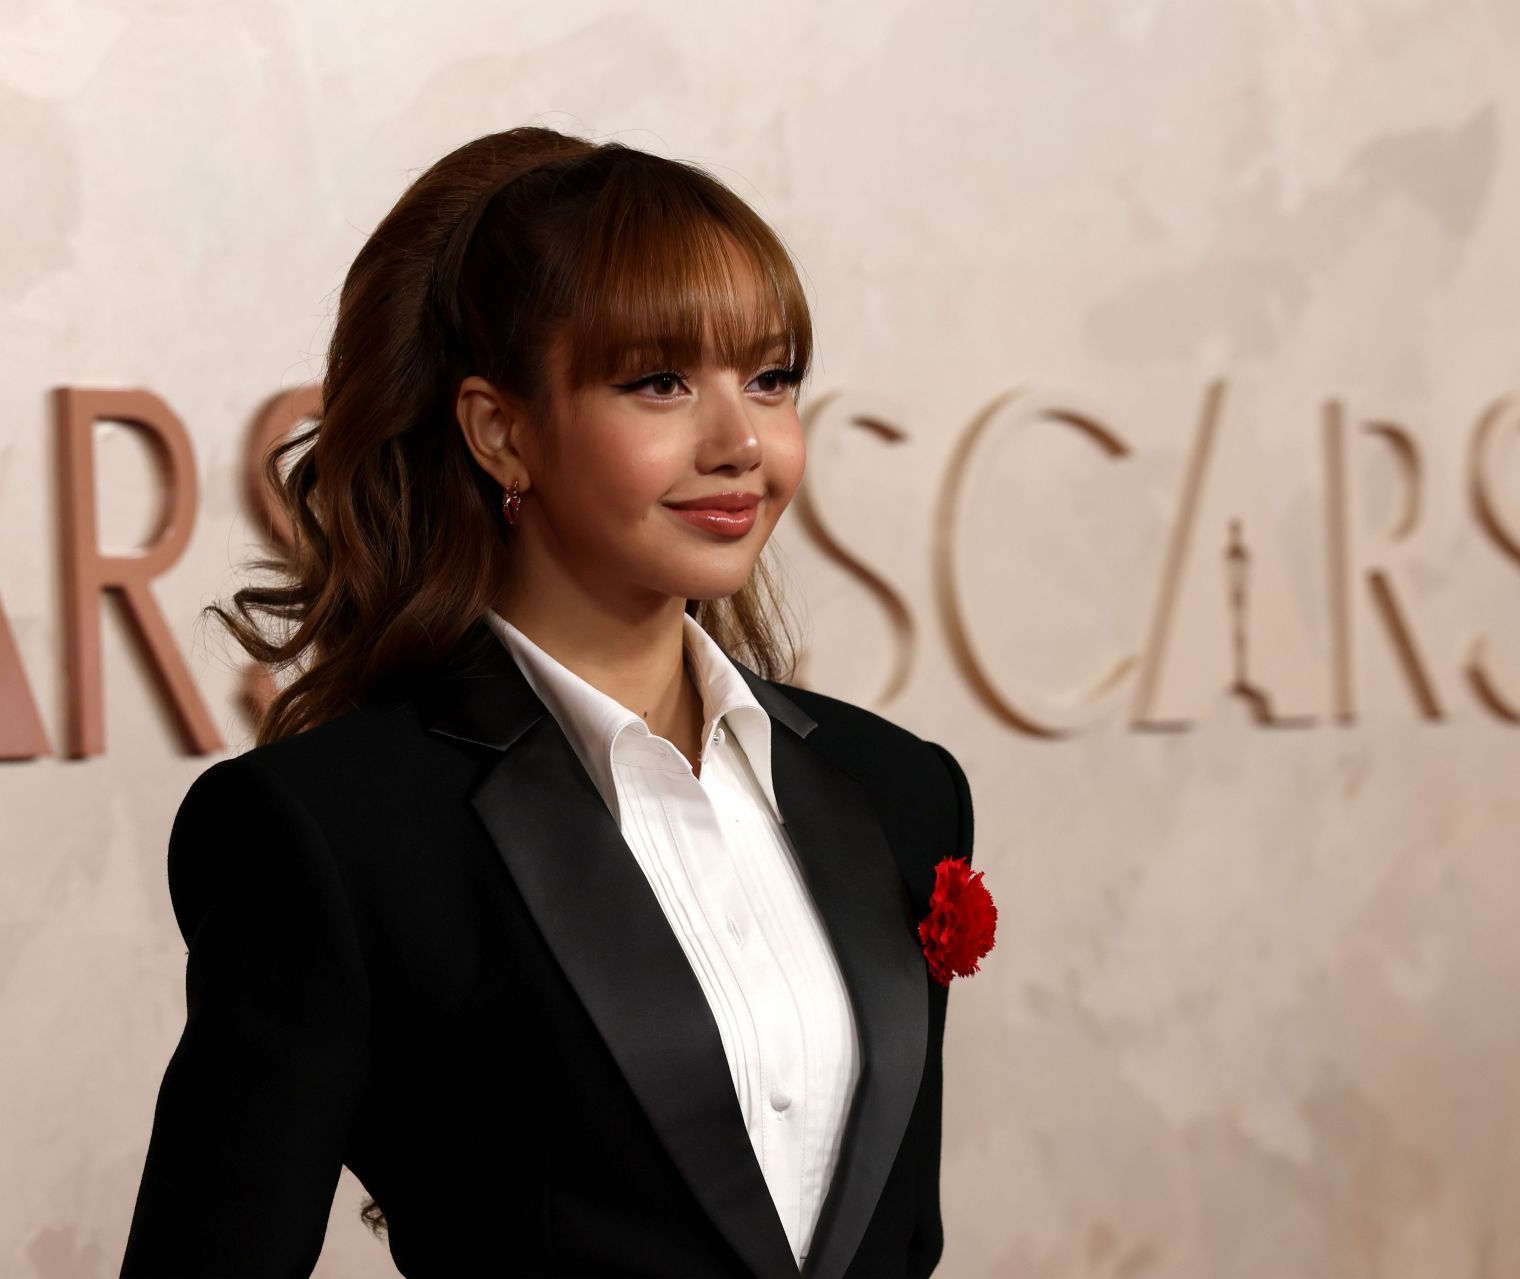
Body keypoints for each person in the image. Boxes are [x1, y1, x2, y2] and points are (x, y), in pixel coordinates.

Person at [118, 124, 975, 1279]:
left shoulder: (900, 791)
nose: (741, 442)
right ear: (500, 430)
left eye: (769, 378)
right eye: (660, 381)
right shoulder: (333, 834)